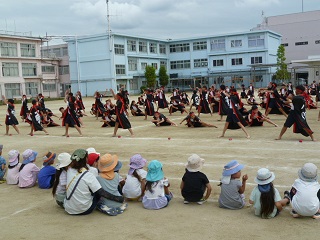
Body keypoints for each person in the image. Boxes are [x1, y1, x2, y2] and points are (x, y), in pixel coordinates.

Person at [63, 149, 124, 215]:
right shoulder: (88, 175)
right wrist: (118, 198)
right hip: (84, 210)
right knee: (96, 191)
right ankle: (102, 206)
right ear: (86, 160)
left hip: (69, 208)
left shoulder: (69, 170)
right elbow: (101, 192)